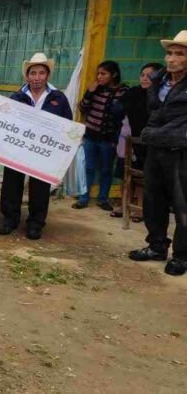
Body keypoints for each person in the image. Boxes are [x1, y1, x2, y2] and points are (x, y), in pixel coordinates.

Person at [128, 30, 187, 276]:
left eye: (179, 54)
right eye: (169, 53)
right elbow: (154, 114)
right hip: (156, 149)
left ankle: (182, 256)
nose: (171, 59)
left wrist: (155, 133)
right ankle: (156, 245)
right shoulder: (159, 81)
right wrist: (153, 133)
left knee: (182, 205)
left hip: (180, 151)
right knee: (153, 199)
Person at [0, 53, 72, 240]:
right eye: (33, 73)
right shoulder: (17, 97)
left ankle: (35, 224)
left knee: (40, 187)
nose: (37, 77)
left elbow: (67, 124)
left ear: (47, 75)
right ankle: (10, 219)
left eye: (41, 73)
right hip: (17, 148)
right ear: (27, 76)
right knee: (11, 183)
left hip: (43, 151)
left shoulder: (58, 98)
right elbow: (5, 120)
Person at [110, 62, 162, 220]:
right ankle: (124, 204)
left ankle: (140, 207)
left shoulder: (160, 95)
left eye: (149, 76)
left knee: (143, 175)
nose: (145, 78)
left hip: (147, 142)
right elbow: (118, 111)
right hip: (126, 140)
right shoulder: (132, 92)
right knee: (124, 174)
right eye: (142, 75)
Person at [73, 60, 128, 210]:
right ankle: (83, 198)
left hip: (109, 139)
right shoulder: (96, 89)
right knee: (88, 168)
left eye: (103, 74)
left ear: (114, 74)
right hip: (90, 136)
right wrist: (89, 92)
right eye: (98, 73)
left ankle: (103, 199)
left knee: (106, 169)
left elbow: (123, 115)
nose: (99, 77)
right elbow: (82, 107)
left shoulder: (123, 92)